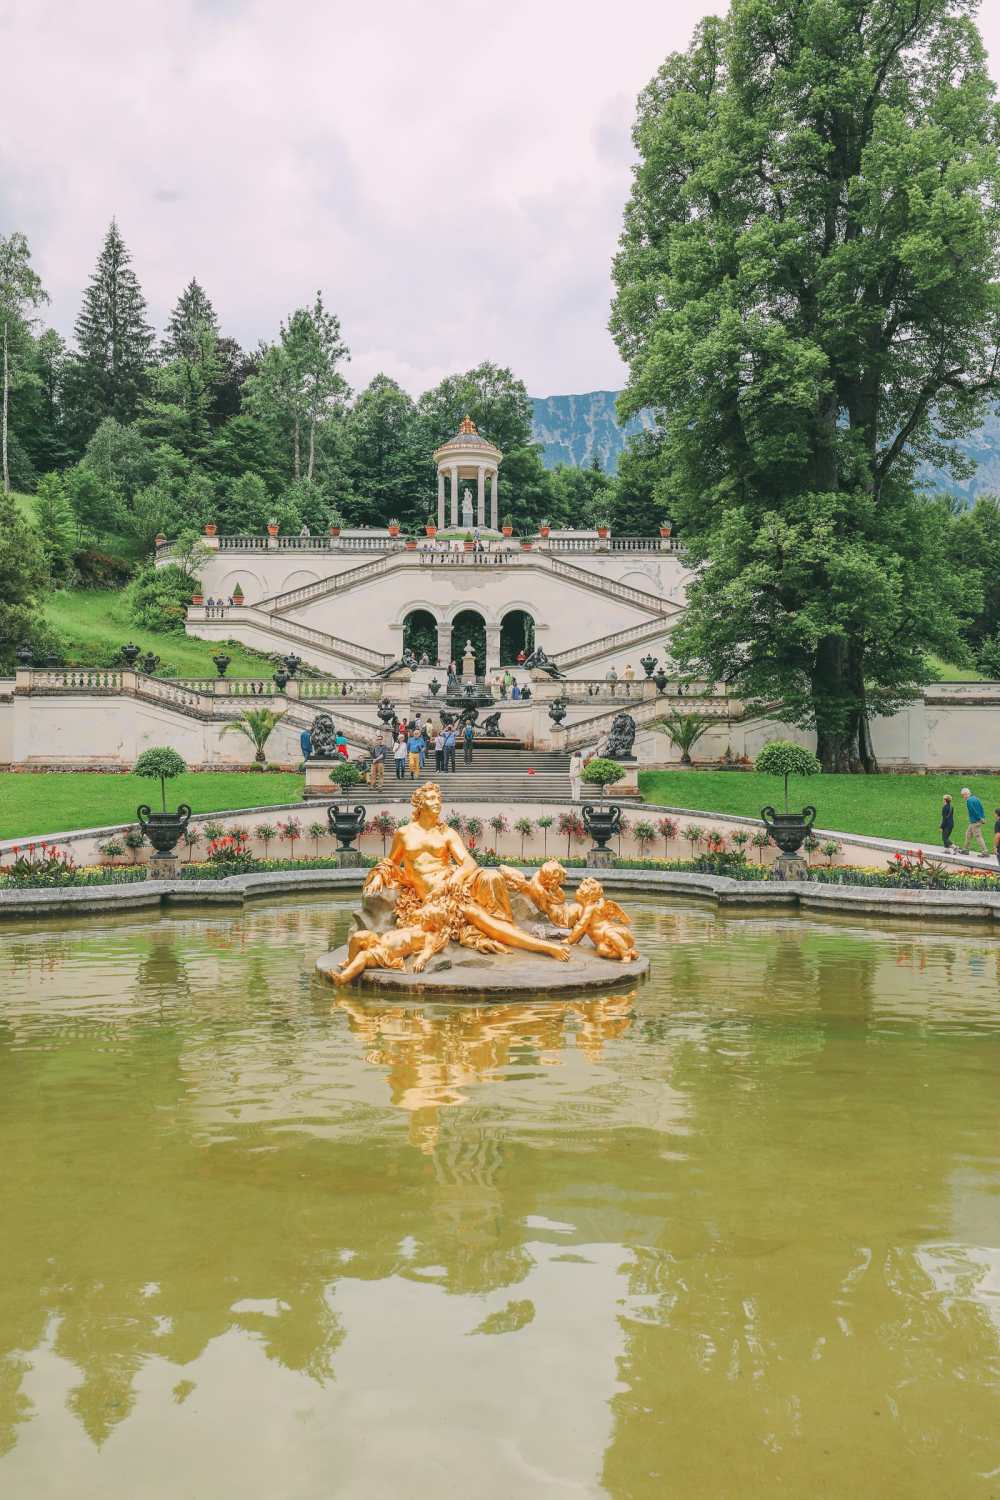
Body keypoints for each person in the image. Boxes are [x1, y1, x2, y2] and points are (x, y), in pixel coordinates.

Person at [961, 787, 988, 854]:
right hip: (975, 821)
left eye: (963, 795)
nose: (963, 797)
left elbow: (973, 811)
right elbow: (981, 808)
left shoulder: (969, 801)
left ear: (965, 794)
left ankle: (985, 851)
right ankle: (965, 849)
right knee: (968, 834)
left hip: (975, 821)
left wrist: (980, 819)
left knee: (978, 836)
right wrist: (983, 817)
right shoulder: (976, 798)